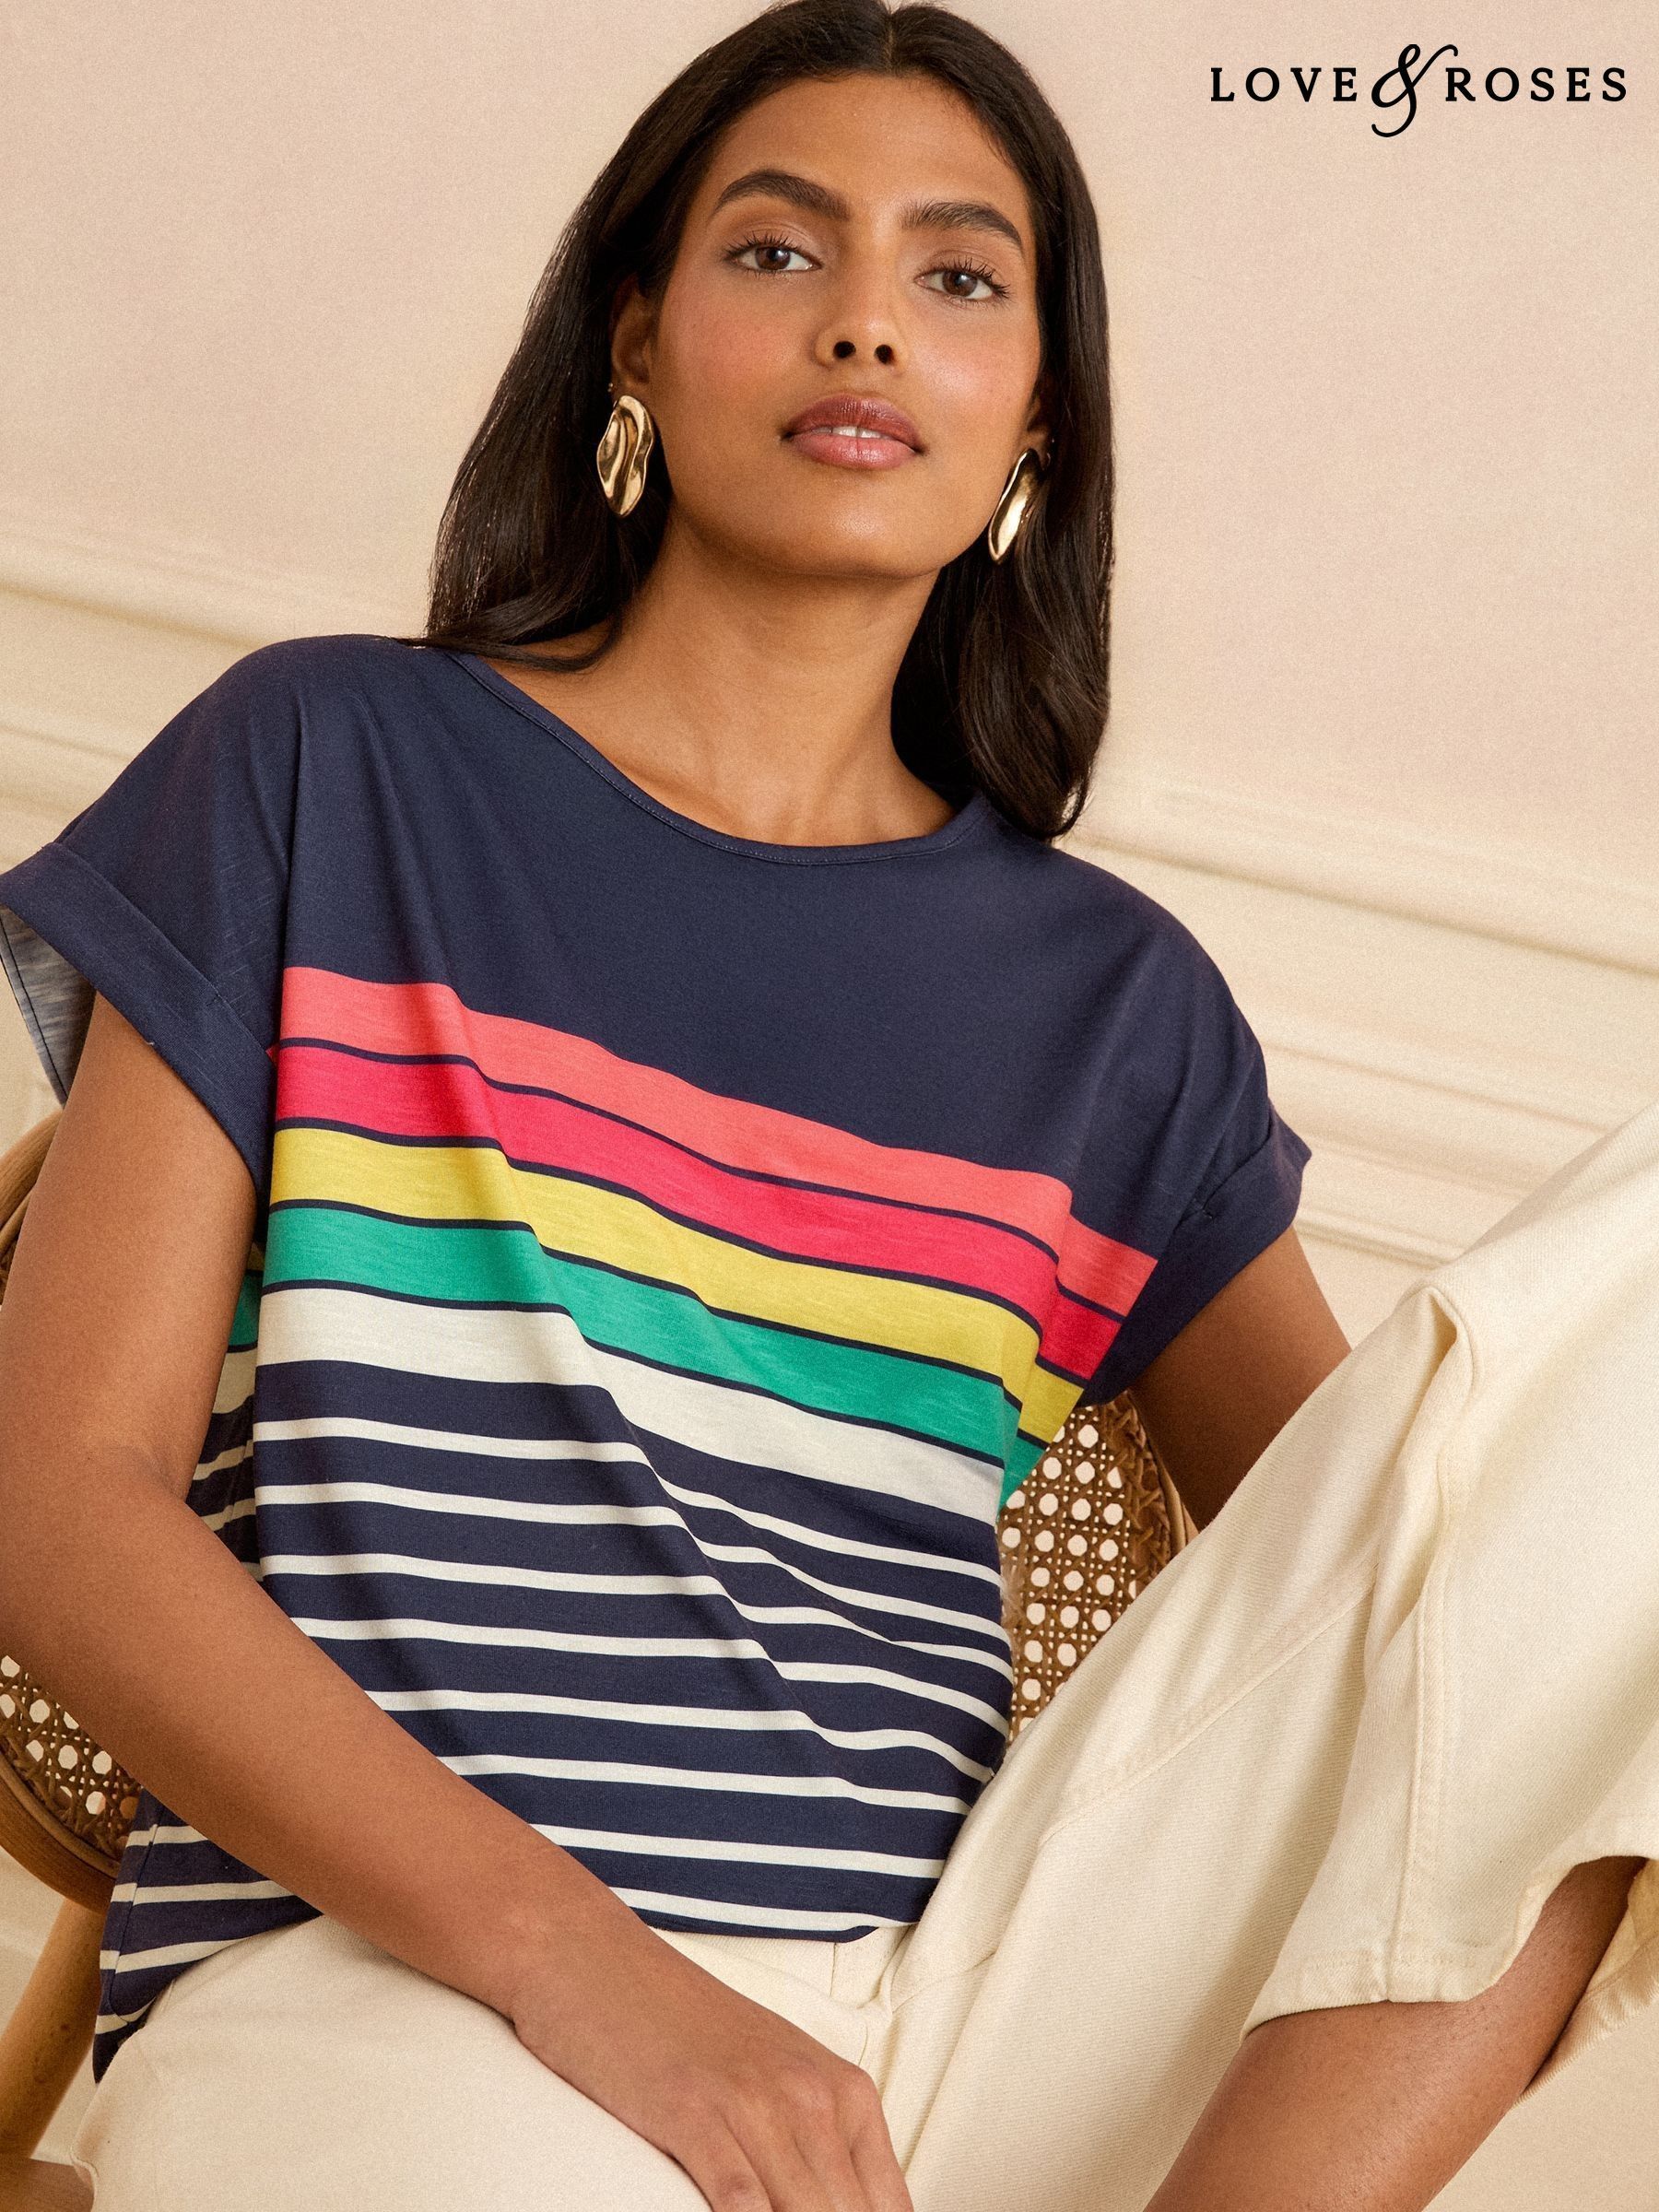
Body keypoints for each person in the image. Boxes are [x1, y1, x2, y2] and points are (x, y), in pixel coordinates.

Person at [0, 3, 1653, 2206]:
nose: (867, 320)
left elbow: (1410, 1637)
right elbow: (56, 1497)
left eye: (958, 275)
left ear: (1036, 415)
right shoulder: (330, 773)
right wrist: (592, 1974)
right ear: (636, 339)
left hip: (941, 2025)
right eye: (779, 251)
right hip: (414, 1984)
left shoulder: (1117, 1014)